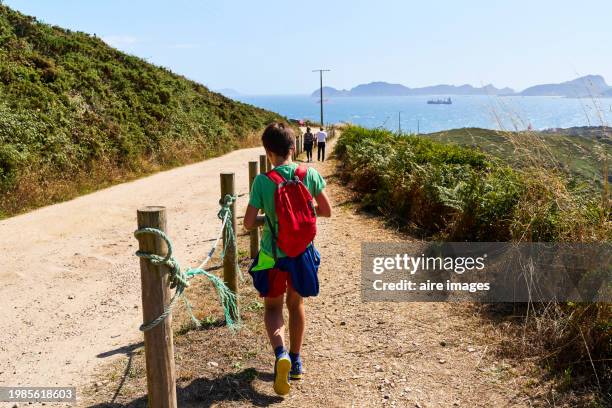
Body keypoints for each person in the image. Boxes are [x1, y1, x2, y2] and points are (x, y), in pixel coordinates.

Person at [243, 122, 332, 396]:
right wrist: (301, 214)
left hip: (272, 255)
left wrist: (270, 219)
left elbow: (247, 223)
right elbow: (326, 211)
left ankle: (280, 352)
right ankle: (295, 361)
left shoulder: (262, 181)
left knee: (272, 308)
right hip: (301, 253)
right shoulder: (309, 174)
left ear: (268, 152)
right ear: (293, 147)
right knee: (296, 304)